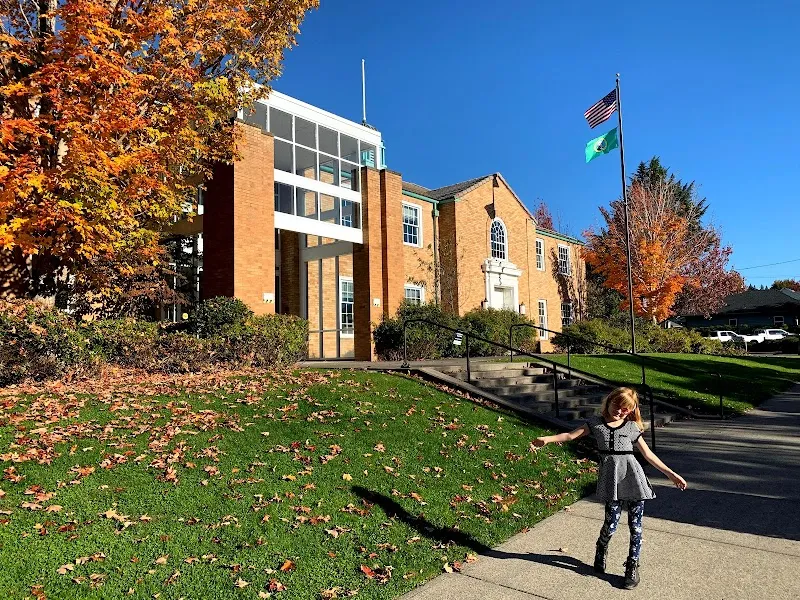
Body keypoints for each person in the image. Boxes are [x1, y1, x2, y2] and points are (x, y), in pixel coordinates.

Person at [531, 387, 687, 589]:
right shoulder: (595, 424)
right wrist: (547, 439)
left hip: (634, 479)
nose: (620, 411)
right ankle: (601, 547)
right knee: (611, 524)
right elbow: (570, 436)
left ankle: (632, 565)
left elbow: (648, 455)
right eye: (617, 406)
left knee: (635, 527)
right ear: (609, 401)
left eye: (625, 409)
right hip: (611, 480)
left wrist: (671, 474)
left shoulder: (632, 428)